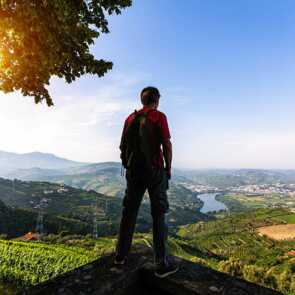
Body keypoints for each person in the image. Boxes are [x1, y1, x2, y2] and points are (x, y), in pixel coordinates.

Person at [114, 86, 179, 278]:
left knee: (129, 211)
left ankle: (120, 255)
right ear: (156, 100)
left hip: (133, 171)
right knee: (159, 214)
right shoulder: (159, 116)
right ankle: (161, 263)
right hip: (155, 171)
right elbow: (166, 143)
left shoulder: (130, 118)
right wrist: (168, 168)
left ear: (142, 100)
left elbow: (122, 145)